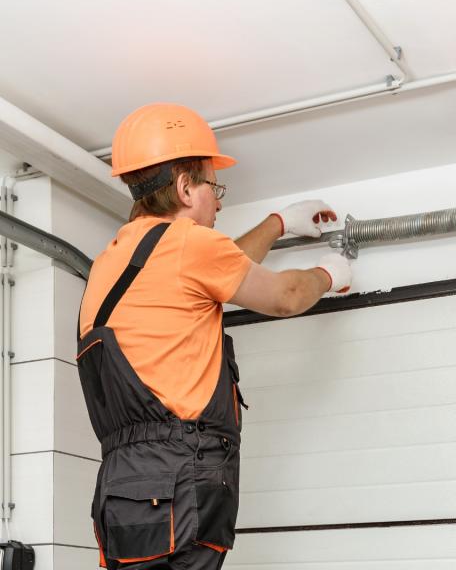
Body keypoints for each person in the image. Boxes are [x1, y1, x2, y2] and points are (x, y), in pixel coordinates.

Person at [76, 103, 352, 569]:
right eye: (213, 185)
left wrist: (279, 224)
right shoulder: (187, 244)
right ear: (185, 187)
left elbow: (219, 273)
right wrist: (331, 273)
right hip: (180, 478)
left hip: (123, 491)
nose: (219, 201)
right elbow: (285, 295)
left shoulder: (115, 258)